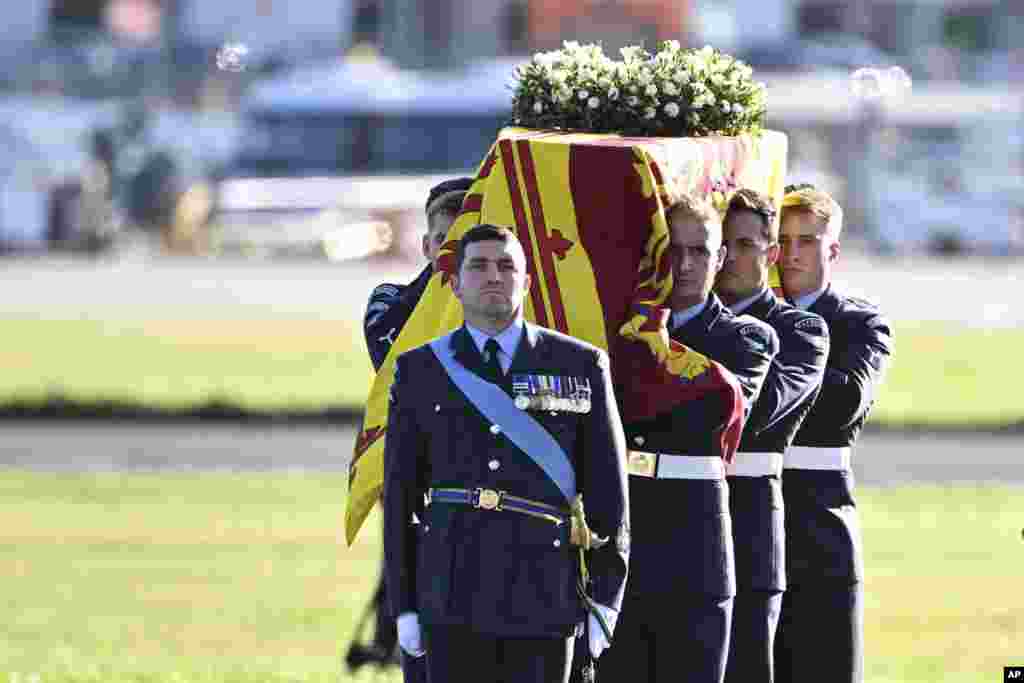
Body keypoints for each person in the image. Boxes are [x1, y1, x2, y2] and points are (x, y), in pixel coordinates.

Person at [383, 224, 630, 683]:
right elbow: (400, 500)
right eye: (477, 266)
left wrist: (605, 599)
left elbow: (609, 497)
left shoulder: (579, 364)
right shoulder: (420, 369)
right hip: (450, 591)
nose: (493, 276)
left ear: (527, 281)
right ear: (454, 284)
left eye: (506, 265)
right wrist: (404, 604)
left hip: (544, 593)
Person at [598, 195, 778, 683]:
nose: (686, 264)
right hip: (627, 524)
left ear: (720, 258)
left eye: (700, 251)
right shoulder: (618, 330)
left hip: (695, 532)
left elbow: (708, 411)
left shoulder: (748, 338)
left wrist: (643, 361)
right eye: (673, 251)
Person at [351, 176, 471, 680]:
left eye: (466, 245)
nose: (452, 256)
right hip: (420, 485)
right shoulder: (391, 303)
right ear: (426, 245)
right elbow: (405, 365)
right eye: (444, 242)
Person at [772, 186, 893, 683]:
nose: (792, 253)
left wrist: (763, 368)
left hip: (820, 529)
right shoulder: (744, 316)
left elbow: (844, 404)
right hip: (748, 524)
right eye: (782, 239)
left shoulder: (859, 322)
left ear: (833, 250)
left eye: (806, 239)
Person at [715, 189, 830, 683]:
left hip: (750, 522)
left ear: (772, 253)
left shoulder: (801, 329)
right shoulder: (677, 323)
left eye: (745, 244)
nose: (730, 257)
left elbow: (757, 412)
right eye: (722, 244)